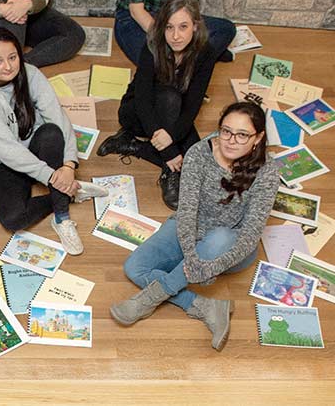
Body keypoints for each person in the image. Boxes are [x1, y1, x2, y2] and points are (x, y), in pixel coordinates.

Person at [109, 101, 279, 351]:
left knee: (218, 239)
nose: (231, 140)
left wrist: (211, 266)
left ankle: (149, 299)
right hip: (190, 230)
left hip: (230, 245)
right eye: (226, 131)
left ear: (258, 137)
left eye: (242, 135)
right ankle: (208, 306)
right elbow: (186, 211)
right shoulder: (199, 153)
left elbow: (250, 236)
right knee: (134, 267)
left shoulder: (268, 172)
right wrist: (193, 259)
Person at [0, 28, 107, 255]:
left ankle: (62, 218)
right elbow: (6, 150)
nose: (8, 66)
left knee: (52, 132)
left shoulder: (30, 73)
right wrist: (55, 178)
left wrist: (69, 166)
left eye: (13, 57)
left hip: (33, 148)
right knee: (14, 220)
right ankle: (70, 193)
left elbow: (59, 119)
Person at [97, 0, 215, 210]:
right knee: (170, 99)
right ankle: (169, 171)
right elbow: (142, 101)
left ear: (195, 27)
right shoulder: (152, 46)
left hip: (174, 116)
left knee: (203, 161)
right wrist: (169, 152)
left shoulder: (205, 53)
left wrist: (171, 136)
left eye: (183, 27)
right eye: (169, 27)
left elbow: (192, 106)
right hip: (138, 114)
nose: (176, 36)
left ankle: (134, 146)